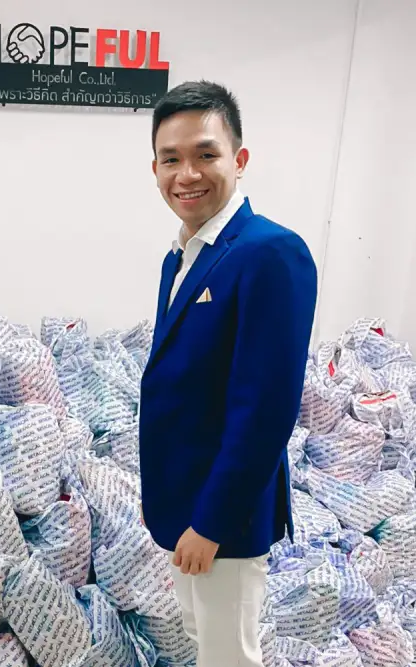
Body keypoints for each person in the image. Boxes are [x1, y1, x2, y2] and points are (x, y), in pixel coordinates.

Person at [138, 80, 318, 666]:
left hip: (224, 516)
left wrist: (212, 523)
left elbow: (264, 411)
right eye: (171, 159)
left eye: (205, 154)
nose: (186, 173)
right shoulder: (182, 255)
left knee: (229, 655)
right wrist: (161, 495)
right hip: (185, 498)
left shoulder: (270, 253)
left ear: (239, 160)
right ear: (155, 169)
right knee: (202, 638)